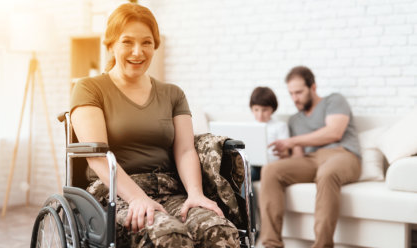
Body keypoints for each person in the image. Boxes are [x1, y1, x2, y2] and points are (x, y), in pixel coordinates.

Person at [70, 3, 239, 247]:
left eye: (146, 42)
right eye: (127, 42)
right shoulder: (89, 88)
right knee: (169, 236)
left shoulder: (173, 94)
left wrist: (195, 194)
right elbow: (97, 157)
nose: (137, 52)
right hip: (116, 193)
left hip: (168, 189)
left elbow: (184, 149)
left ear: (155, 45)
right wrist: (138, 198)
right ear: (111, 44)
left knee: (219, 230)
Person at [258, 66, 361, 248]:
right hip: (311, 159)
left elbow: (334, 132)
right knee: (271, 171)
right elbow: (299, 156)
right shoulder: (295, 120)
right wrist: (286, 154)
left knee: (327, 173)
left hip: (343, 154)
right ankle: (271, 244)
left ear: (313, 87)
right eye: (291, 94)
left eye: (299, 92)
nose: (295, 98)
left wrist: (292, 141)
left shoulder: (334, 100)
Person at [249, 86, 289, 181]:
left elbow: (285, 153)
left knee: (246, 176)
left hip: (270, 165)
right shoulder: (250, 126)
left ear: (272, 109)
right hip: (253, 164)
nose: (260, 115)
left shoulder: (280, 126)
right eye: (256, 110)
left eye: (265, 110)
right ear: (251, 109)